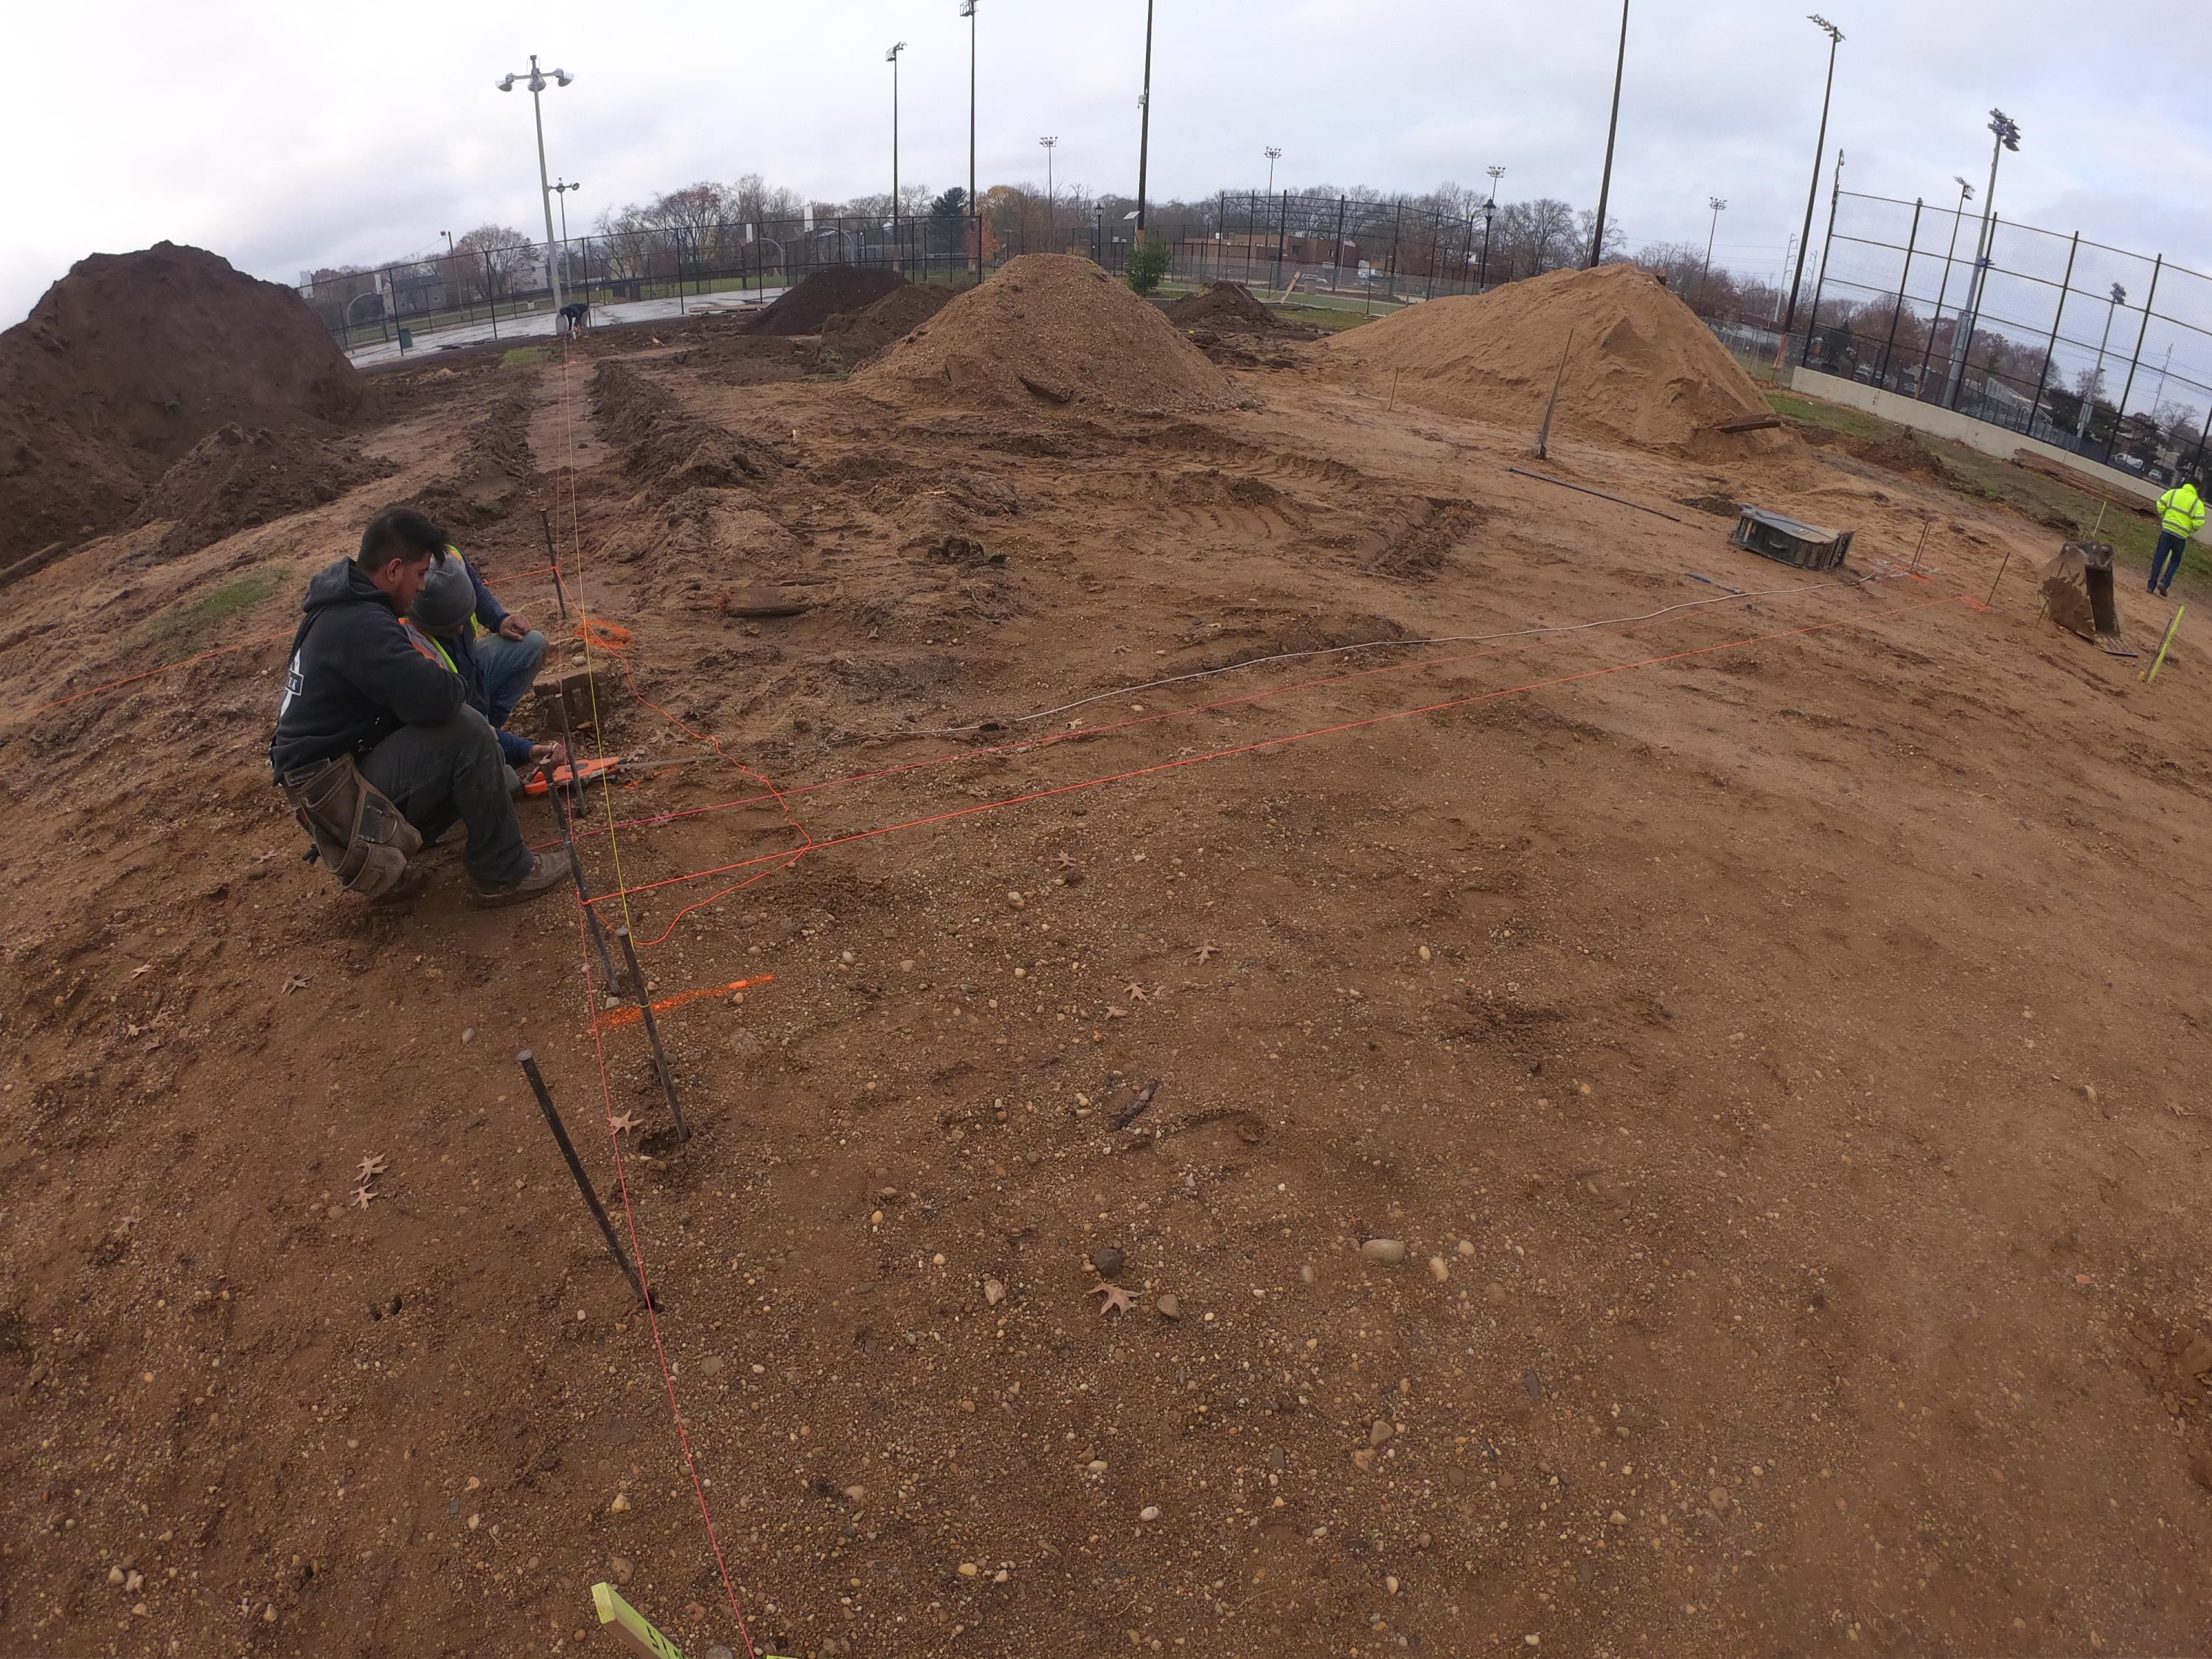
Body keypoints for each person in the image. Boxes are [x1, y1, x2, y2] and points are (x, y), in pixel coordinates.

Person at [268, 506, 569, 906]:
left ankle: (401, 841)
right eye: (422, 573)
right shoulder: (362, 624)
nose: (424, 587)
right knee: (466, 730)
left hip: (332, 776)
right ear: (394, 570)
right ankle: (504, 872)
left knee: (483, 757)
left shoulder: (342, 603)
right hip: (334, 795)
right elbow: (441, 700)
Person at [406, 549, 562, 790]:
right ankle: (487, 745)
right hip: (447, 702)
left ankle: (493, 734)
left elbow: (474, 586)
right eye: (450, 628)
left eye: (463, 618)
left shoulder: (449, 558)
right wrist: (525, 749)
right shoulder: (412, 651)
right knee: (507, 785)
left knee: (532, 644)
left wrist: (499, 619)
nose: (460, 631)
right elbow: (458, 715)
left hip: (470, 673)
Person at [2149, 476, 2205, 597]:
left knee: (2159, 559)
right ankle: (2165, 583)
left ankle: (2151, 586)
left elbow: (2160, 504)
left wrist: (2165, 516)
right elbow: (2199, 521)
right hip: (2181, 536)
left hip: (2167, 530)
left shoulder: (2173, 493)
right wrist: (2190, 528)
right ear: (2197, 488)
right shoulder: (2197, 503)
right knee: (2175, 561)